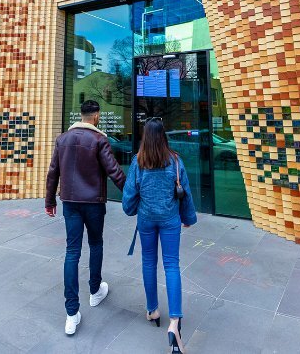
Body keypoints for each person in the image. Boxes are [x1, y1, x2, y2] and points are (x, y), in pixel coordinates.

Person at [45, 100, 126, 335]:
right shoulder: (99, 140)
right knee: (96, 244)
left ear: (81, 116)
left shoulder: (62, 139)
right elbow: (115, 172)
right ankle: (95, 291)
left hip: (69, 202)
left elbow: (53, 172)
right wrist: (133, 197)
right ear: (96, 116)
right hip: (93, 203)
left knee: (72, 252)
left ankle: (71, 314)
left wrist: (50, 201)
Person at [122, 118, 197, 353]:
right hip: (170, 220)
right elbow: (185, 192)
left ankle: (153, 309)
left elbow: (129, 196)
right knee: (172, 265)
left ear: (145, 137)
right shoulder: (175, 161)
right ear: (163, 136)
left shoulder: (138, 161)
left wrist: (132, 208)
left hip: (146, 219)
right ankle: (175, 323)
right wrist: (188, 218)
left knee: (148, 263)